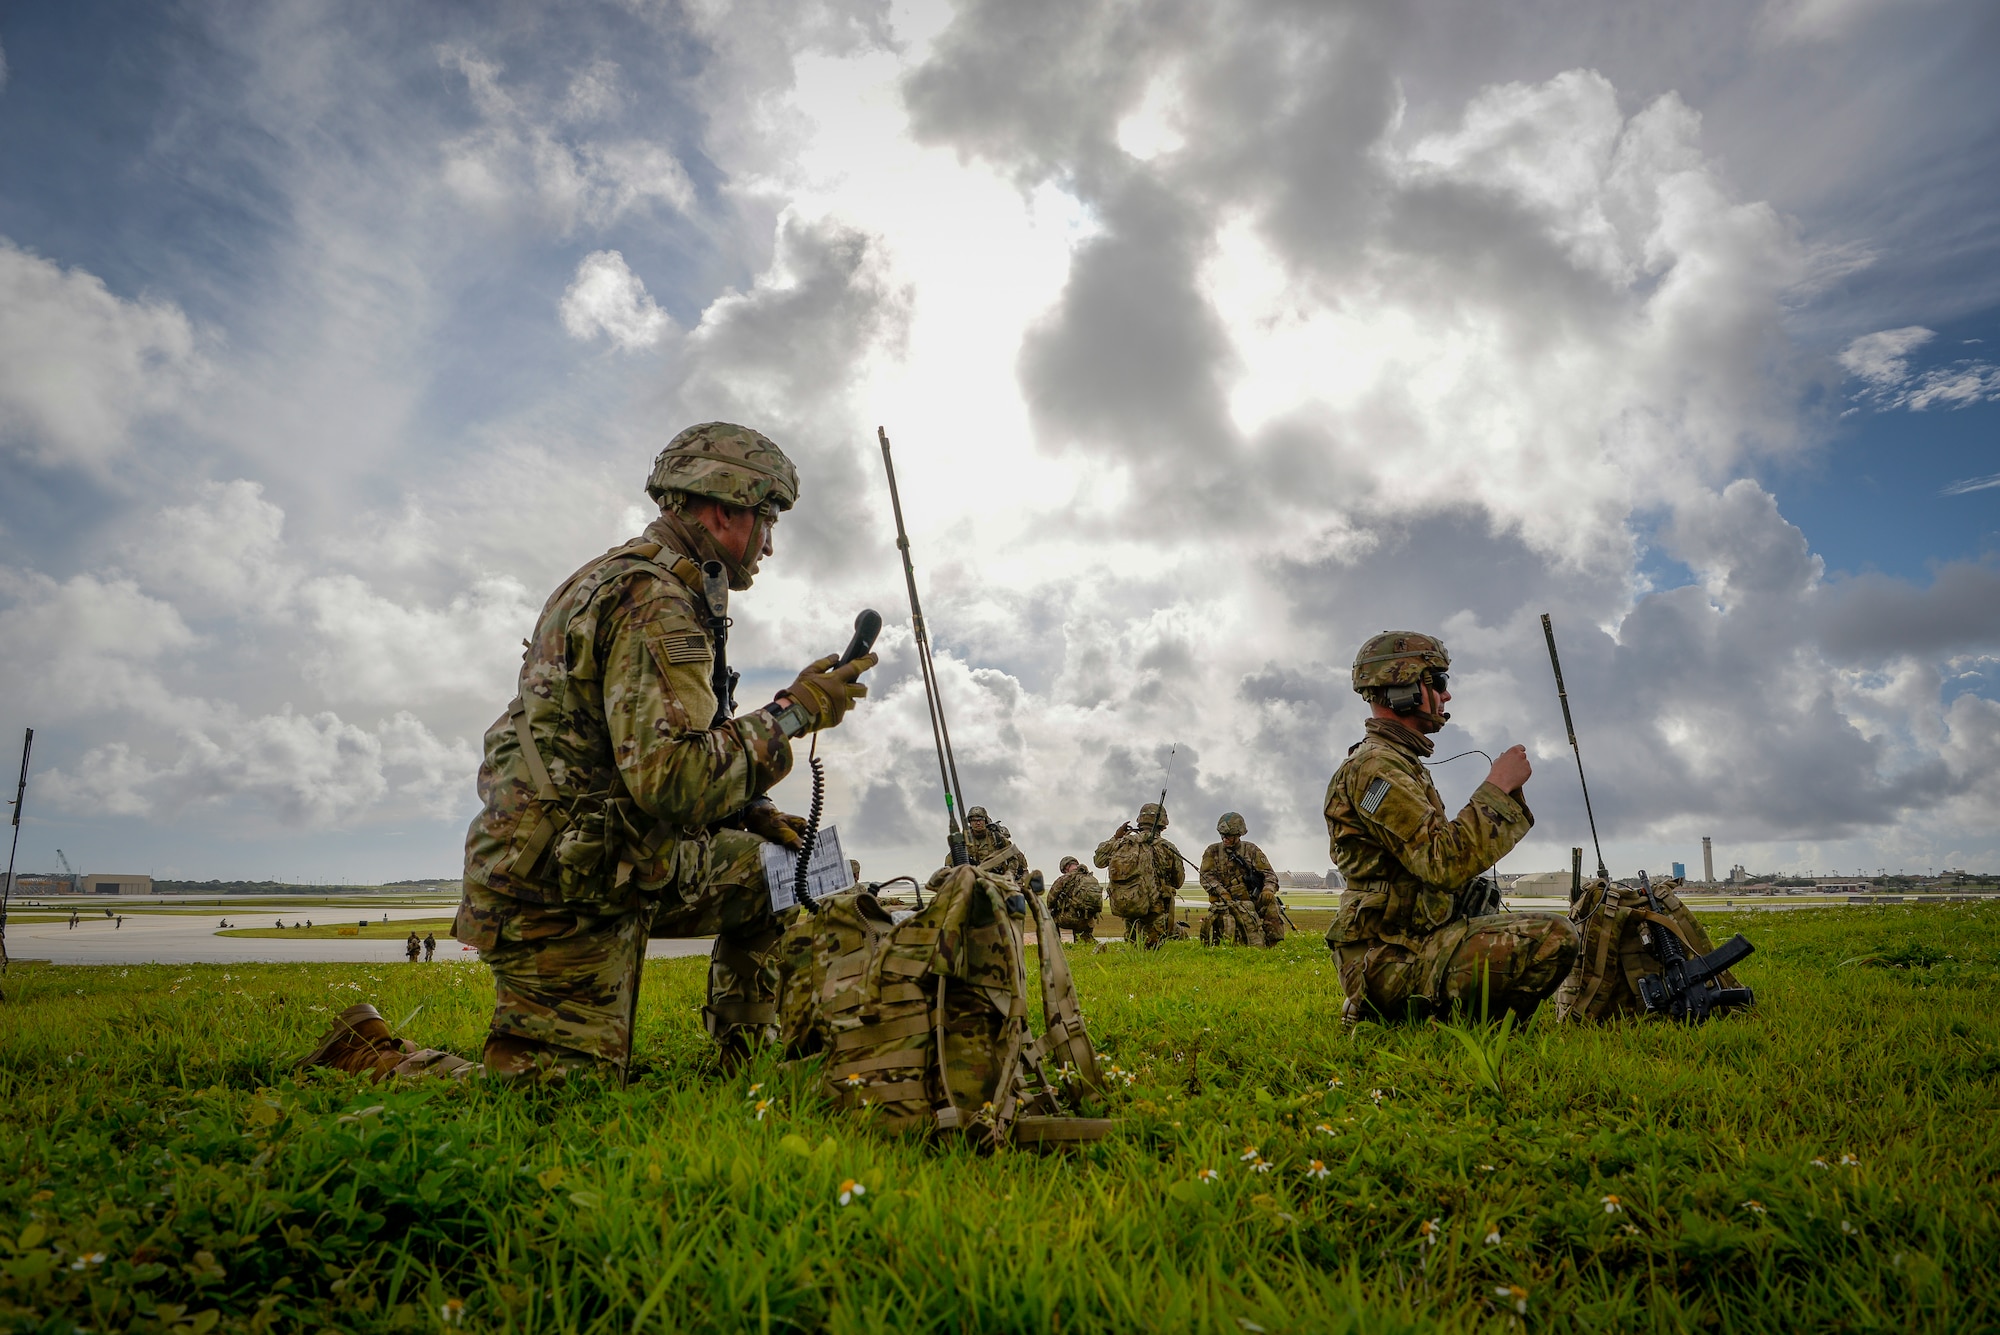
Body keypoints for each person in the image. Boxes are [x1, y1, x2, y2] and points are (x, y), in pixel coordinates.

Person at [301, 422, 876, 1084]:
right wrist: (795, 710)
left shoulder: (652, 584)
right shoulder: (655, 601)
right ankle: (365, 1051)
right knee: (554, 1096)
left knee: (809, 866)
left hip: (622, 860)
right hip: (562, 885)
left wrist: (752, 813)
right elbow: (672, 780)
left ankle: (749, 1057)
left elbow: (640, 752)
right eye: (767, 519)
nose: (771, 543)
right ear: (725, 508)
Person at [1323, 632, 1579, 1026]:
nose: (1446, 695)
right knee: (1554, 935)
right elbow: (1442, 862)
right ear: (1403, 689)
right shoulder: (1378, 768)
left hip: (1403, 946)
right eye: (1438, 682)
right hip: (1388, 960)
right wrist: (1497, 788)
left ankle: (1449, 1019)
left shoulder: (1396, 762)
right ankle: (1415, 1018)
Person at [1094, 803, 1184, 949]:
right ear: (1163, 826)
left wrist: (1116, 837)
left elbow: (1099, 861)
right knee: (1156, 947)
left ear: (1139, 823)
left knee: (1135, 946)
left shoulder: (1122, 844)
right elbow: (1178, 881)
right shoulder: (1167, 847)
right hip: (1156, 914)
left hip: (1130, 911)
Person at [1199, 812, 1274, 948]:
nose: (1224, 838)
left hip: (1251, 897)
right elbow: (1206, 877)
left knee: (1272, 903)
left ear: (1239, 835)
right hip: (1226, 900)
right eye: (1222, 835)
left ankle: (1272, 943)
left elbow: (1269, 874)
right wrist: (1222, 892)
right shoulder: (1212, 851)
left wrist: (1268, 889)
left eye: (1228, 836)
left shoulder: (1251, 850)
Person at [959, 807, 1029, 885]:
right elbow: (951, 861)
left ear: (985, 821)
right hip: (971, 881)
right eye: (974, 820)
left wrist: (1009, 876)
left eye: (980, 819)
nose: (978, 823)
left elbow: (1013, 858)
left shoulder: (996, 837)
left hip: (997, 881)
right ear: (970, 822)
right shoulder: (963, 840)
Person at [1045, 856, 1104, 943]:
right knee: (1082, 936)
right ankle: (1085, 939)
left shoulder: (1064, 878)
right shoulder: (1090, 878)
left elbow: (1051, 899)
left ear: (1066, 868)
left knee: (1049, 915)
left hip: (1071, 919)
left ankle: (1055, 943)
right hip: (1089, 920)